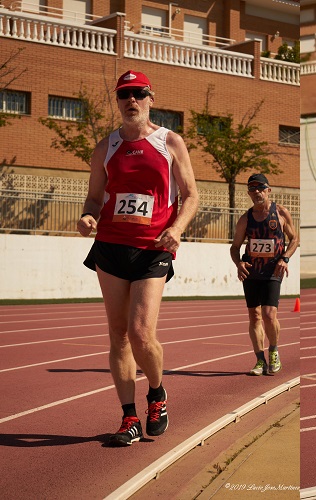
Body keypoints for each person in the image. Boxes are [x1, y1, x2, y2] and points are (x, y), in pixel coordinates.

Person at [78, 70, 199, 446]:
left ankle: (157, 394)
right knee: (118, 335)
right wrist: (88, 216)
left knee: (141, 332)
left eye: (139, 93)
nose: (131, 99)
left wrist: (177, 228)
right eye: (124, 94)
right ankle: (129, 417)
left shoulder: (170, 142)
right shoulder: (106, 147)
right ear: (117, 101)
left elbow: (192, 195)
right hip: (111, 245)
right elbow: (94, 198)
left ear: (151, 98)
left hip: (154, 247)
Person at [230, 173, 300, 376]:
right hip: (251, 271)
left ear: (268, 190)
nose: (257, 192)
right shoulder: (245, 219)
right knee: (254, 315)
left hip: (273, 269)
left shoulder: (280, 212)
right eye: (252, 189)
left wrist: (285, 258)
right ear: (249, 193)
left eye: (260, 188)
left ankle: (274, 351)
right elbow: (235, 247)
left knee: (269, 314)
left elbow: (294, 239)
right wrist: (239, 263)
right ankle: (259, 359)